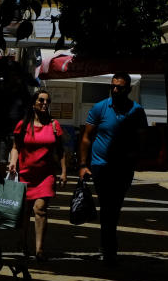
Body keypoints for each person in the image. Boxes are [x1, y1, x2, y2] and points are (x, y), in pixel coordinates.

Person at [77, 73, 148, 264]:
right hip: (100, 166)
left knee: (114, 207)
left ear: (128, 90)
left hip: (123, 167)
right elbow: (86, 138)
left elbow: (142, 138)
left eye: (120, 87)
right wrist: (83, 165)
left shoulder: (137, 111)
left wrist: (137, 155)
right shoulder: (100, 108)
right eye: (113, 86)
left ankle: (108, 245)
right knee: (108, 206)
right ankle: (109, 247)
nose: (115, 90)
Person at [8, 90, 68, 260]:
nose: (44, 103)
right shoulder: (23, 125)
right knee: (25, 211)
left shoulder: (54, 125)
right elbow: (15, 147)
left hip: (46, 175)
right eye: (41, 100)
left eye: (47, 101)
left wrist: (63, 172)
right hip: (25, 174)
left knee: (40, 209)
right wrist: (13, 162)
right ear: (33, 103)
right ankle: (23, 242)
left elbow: (61, 151)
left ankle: (39, 249)